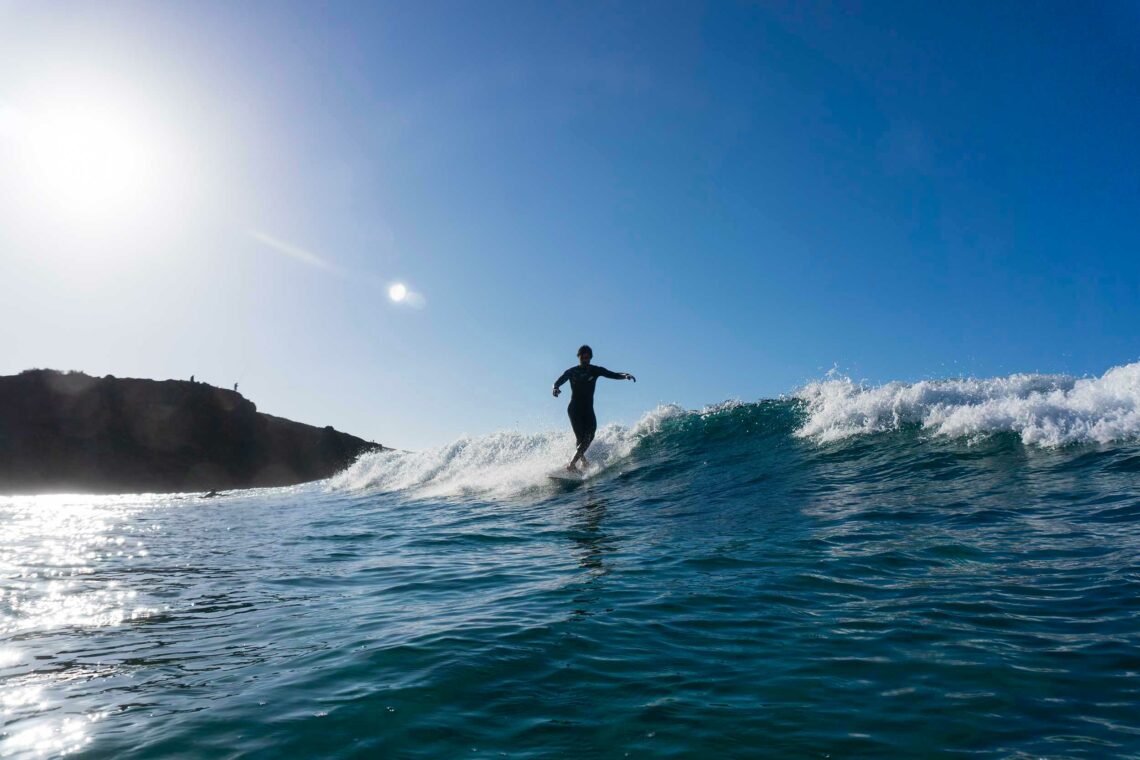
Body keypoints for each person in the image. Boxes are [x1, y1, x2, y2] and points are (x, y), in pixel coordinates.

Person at [552, 345, 636, 472]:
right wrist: (555, 388)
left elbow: (612, 374)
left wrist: (625, 375)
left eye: (587, 357)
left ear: (590, 357)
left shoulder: (595, 370)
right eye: (582, 358)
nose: (585, 360)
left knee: (590, 435)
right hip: (574, 409)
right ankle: (573, 464)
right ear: (578, 358)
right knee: (580, 439)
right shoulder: (571, 372)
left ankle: (581, 462)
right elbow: (557, 382)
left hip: (588, 409)